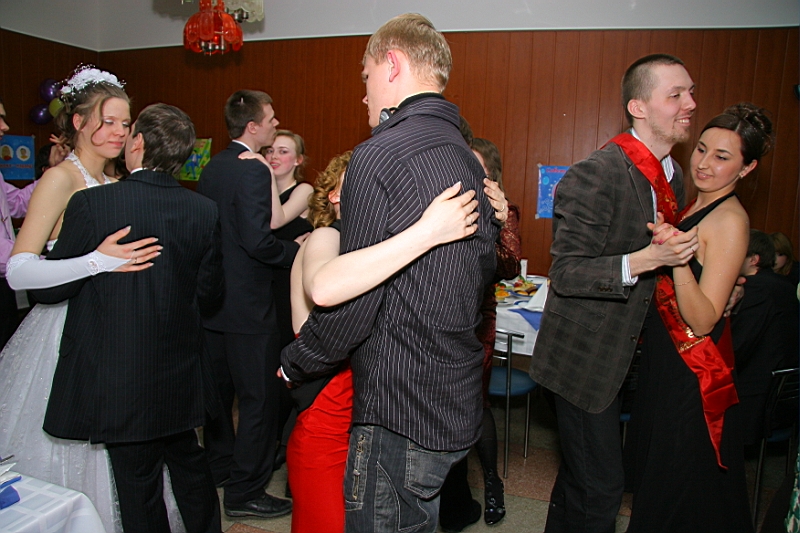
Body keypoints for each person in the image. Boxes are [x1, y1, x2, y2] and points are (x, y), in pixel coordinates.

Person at [281, 13, 500, 532]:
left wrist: (299, 361)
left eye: (366, 75)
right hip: (454, 395)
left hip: (398, 406)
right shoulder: (465, 157)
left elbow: (353, 304)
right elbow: (480, 272)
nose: (364, 94)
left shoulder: (380, 153)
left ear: (393, 64)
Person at [31, 102, 223, 533]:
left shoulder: (93, 204)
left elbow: (49, 290)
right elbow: (209, 296)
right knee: (190, 466)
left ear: (137, 143)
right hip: (179, 367)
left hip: (120, 373)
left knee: (138, 483)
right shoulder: (203, 210)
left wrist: (92, 263)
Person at [529, 53, 700, 533]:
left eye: (690, 92)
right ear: (638, 108)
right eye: (676, 95)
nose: (690, 103)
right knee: (602, 486)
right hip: (585, 360)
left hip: (634, 354)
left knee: (581, 478)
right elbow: (567, 274)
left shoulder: (673, 175)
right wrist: (647, 259)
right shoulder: (597, 173)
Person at [0, 67, 168, 533]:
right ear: (78, 122)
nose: (119, 132)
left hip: (115, 329)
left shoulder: (116, 182)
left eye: (125, 123)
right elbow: (19, 270)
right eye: (108, 121)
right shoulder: (60, 178)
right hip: (65, 330)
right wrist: (97, 261)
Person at [287, 150, 485, 533]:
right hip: (328, 426)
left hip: (370, 428)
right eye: (357, 181)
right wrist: (426, 232)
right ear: (334, 195)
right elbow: (323, 287)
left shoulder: (375, 254)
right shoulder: (327, 236)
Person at [624, 103, 773, 532]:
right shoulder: (694, 205)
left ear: (747, 168)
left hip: (690, 374)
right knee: (659, 479)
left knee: (679, 489)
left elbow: (704, 319)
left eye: (722, 157)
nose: (704, 163)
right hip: (665, 360)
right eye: (702, 149)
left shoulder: (730, 220)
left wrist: (677, 260)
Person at [197, 89, 296, 519]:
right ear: (252, 126)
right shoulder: (254, 169)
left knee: (219, 397)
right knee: (259, 399)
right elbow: (258, 242)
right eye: (271, 120)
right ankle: (245, 492)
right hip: (249, 306)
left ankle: (220, 467)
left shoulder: (213, 166)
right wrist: (297, 253)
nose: (275, 125)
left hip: (214, 301)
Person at [438, 136, 522, 532]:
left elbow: (509, 267)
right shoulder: (447, 206)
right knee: (441, 405)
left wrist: (501, 220)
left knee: (475, 402)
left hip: (478, 319)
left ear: (492, 176)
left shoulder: (504, 212)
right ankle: (447, 491)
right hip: (442, 315)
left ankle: (491, 483)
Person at [731, 229, 798, 445]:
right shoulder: (786, 286)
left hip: (756, 400)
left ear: (753, 260)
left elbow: (738, 346)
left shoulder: (755, 289)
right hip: (784, 395)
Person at [0, 96, 38, 348]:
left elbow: (16, 203)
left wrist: (54, 174)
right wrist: (50, 262)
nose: (5, 127)